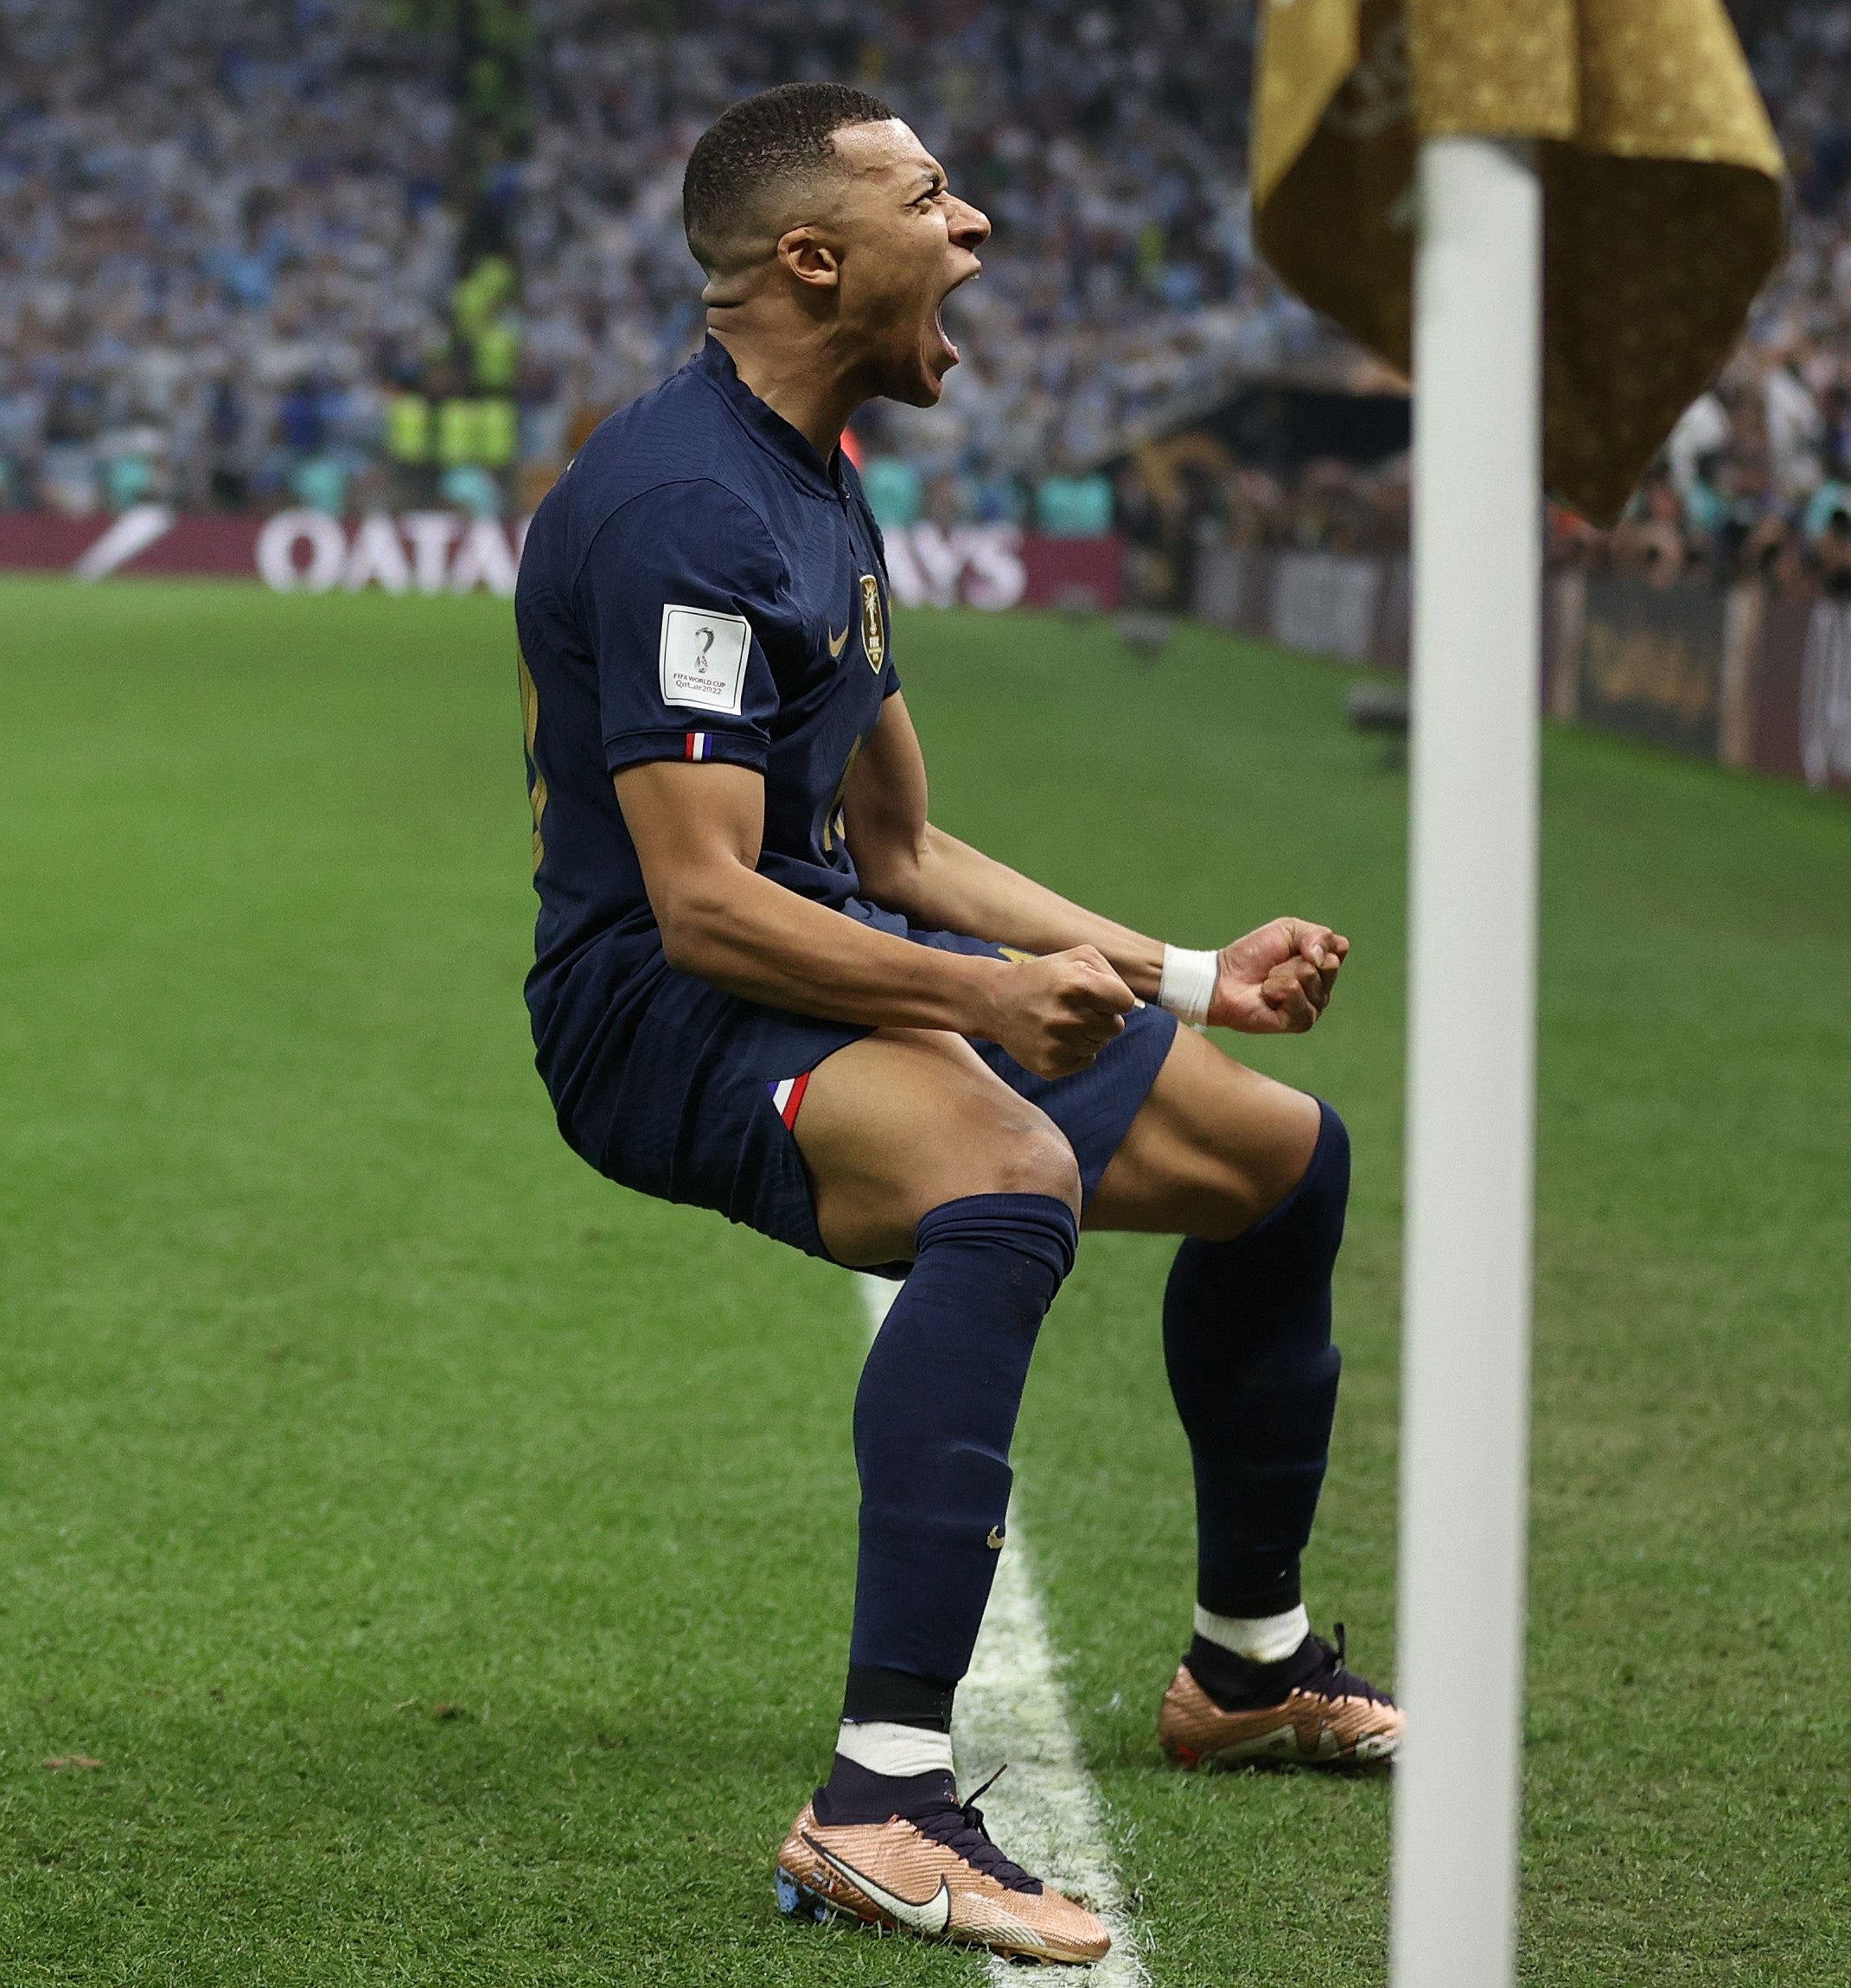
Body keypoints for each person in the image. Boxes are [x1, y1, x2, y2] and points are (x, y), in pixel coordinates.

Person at [513, 82, 1401, 1967]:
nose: (978, 223)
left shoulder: (812, 472)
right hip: (660, 1008)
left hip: (802, 938)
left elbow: (900, 841)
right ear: (812, 256)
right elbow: (703, 900)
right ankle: (879, 1800)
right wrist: (989, 1005)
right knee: (1006, 1176)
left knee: (1278, 1156)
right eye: (934, 196)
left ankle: (1244, 1665)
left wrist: (1181, 976)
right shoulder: (684, 499)